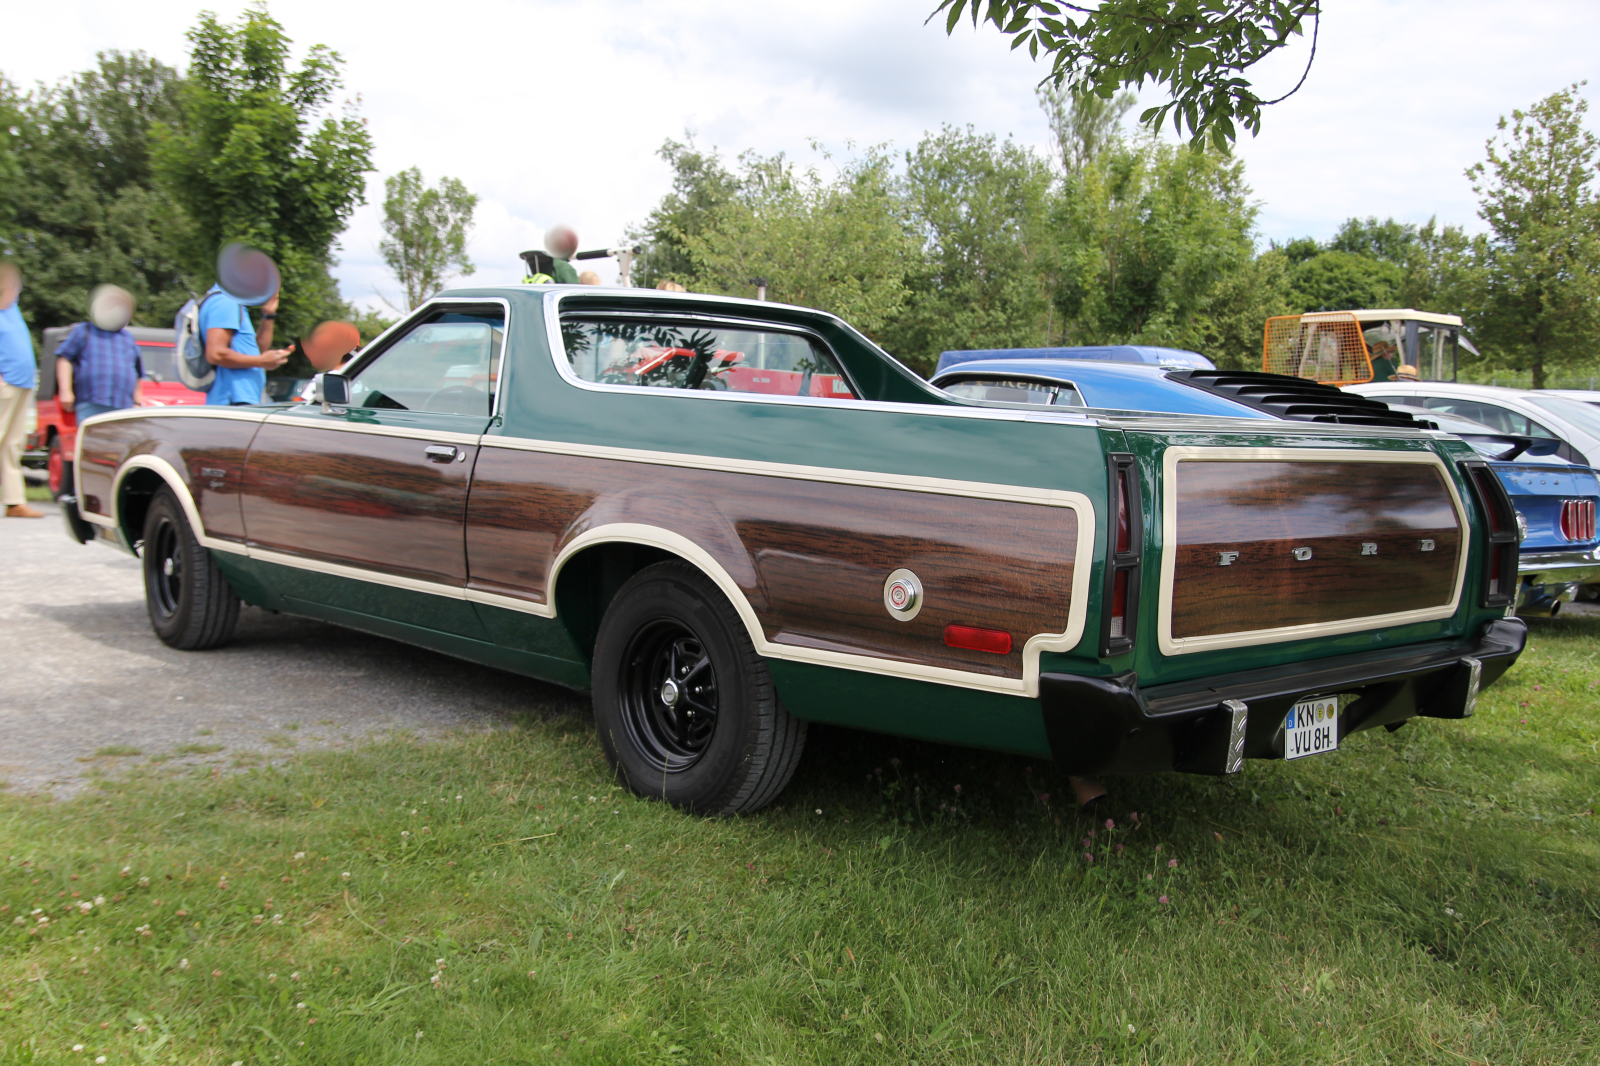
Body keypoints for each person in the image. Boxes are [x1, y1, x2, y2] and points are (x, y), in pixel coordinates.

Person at [55, 285, 145, 420]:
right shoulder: (83, 331)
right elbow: (64, 359)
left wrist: (137, 402)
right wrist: (65, 391)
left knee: (119, 441)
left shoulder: (127, 338)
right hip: (91, 401)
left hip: (123, 404)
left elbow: (137, 372)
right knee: (92, 440)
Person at [200, 278, 290, 405]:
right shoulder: (225, 301)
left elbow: (256, 351)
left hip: (239, 398)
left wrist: (268, 314)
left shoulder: (231, 301)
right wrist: (262, 361)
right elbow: (216, 354)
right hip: (232, 399)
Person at [0, 263, 42, 518]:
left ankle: (14, 501)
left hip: (22, 383)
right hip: (5, 383)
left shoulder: (12, 310)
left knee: (12, 444)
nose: (16, 292)